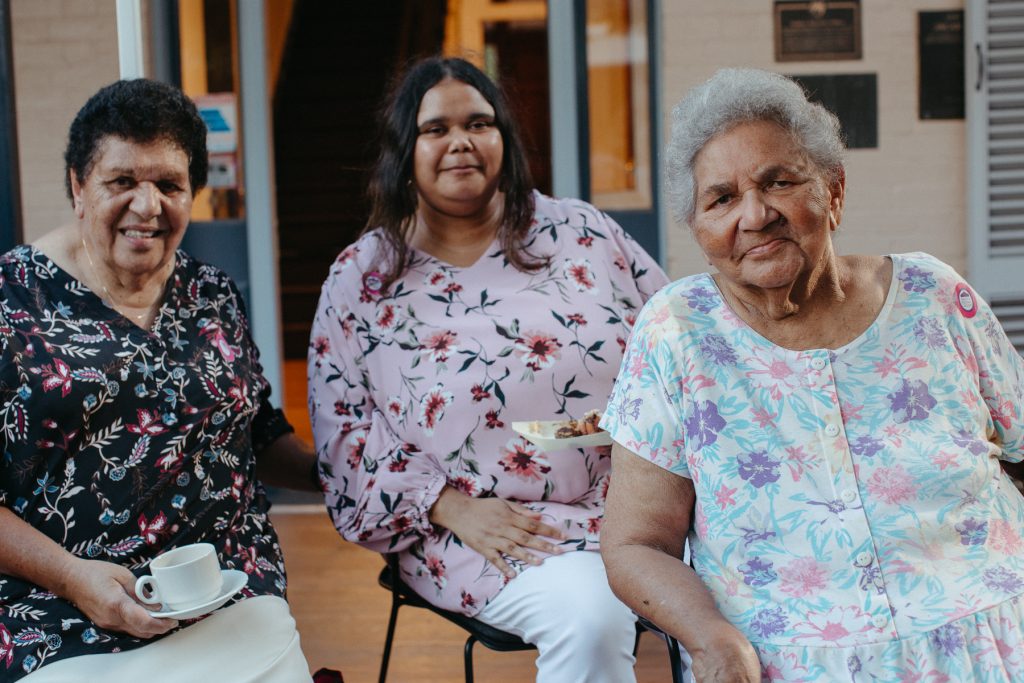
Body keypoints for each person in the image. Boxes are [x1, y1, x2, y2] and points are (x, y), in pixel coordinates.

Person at [599, 66, 1024, 682]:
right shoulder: (676, 332)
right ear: (699, 230)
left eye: (779, 181)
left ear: (834, 192)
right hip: (790, 662)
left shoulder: (933, 294)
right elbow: (636, 544)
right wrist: (713, 639)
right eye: (721, 199)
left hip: (995, 636)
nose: (755, 214)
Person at [308, 56, 668, 682]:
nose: (461, 142)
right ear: (404, 150)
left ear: (504, 136)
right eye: (436, 129)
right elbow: (345, 442)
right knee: (590, 617)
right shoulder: (361, 282)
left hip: (634, 508)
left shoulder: (583, 233)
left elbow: (673, 348)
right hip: (481, 531)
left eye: (479, 123)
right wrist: (447, 506)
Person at [0, 79, 319, 682]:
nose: (147, 206)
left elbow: (253, 432)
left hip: (227, 596)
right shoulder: (11, 300)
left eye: (169, 185)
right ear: (77, 186)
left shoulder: (213, 294)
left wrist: (336, 473)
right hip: (56, 616)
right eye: (121, 181)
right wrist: (73, 577)